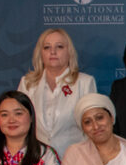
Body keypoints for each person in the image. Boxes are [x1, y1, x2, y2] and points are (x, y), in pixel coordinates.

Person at [18, 28, 97, 158]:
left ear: (69, 52)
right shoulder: (27, 83)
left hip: (75, 160)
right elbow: (21, 126)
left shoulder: (85, 82)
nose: (53, 52)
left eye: (59, 47)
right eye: (47, 47)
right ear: (40, 53)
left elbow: (92, 128)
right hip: (36, 161)